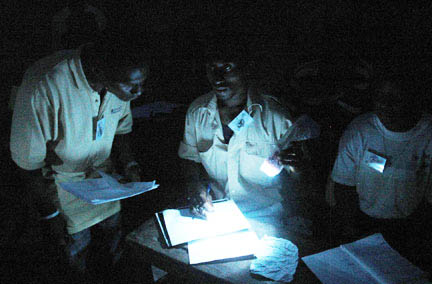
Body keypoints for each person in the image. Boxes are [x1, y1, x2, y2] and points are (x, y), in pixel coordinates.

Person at [10, 37, 150, 282]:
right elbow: (27, 165)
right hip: (60, 185)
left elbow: (121, 130)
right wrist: (51, 216)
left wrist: (128, 164)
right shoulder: (46, 85)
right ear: (99, 72)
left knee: (115, 248)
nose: (140, 92)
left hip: (103, 181)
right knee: (74, 256)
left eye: (142, 83)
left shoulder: (116, 80)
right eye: (132, 86)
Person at [177, 37, 313, 236]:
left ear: (246, 69)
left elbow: (300, 179)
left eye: (227, 68)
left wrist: (295, 167)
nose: (217, 77)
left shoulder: (276, 117)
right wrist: (196, 188)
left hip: (269, 219)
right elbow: (189, 158)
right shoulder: (198, 113)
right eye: (211, 69)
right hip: (216, 214)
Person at [330, 70, 432, 272]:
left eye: (396, 98)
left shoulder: (427, 134)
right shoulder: (360, 130)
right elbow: (343, 184)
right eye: (380, 97)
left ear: (413, 99)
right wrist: (352, 231)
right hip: (363, 222)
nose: (386, 104)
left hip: (410, 226)